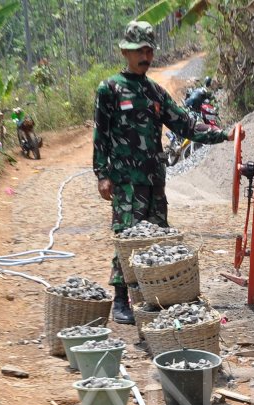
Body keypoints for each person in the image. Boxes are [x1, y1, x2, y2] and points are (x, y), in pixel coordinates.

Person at [92, 20, 232, 325]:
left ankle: (151, 298)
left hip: (155, 180)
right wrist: (102, 175)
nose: (145, 56)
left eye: (148, 50)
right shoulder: (110, 89)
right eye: (139, 50)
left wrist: (224, 134)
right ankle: (120, 299)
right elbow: (100, 135)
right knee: (127, 237)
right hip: (126, 182)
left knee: (157, 240)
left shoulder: (155, 92)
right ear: (125, 52)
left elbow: (184, 124)